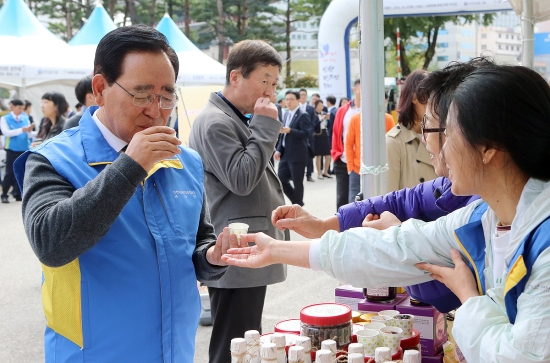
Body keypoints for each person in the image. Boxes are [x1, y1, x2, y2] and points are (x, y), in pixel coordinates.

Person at [222, 62, 550, 363]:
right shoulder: (482, 216)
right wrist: (277, 249)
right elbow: (393, 247)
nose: (439, 148)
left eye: (447, 132)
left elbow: (519, 356)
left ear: (489, 147)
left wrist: (469, 298)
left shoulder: (543, 244)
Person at [14, 25, 230, 362]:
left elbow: (197, 243)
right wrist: (130, 165)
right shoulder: (53, 159)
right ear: (100, 89)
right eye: (142, 95)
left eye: (167, 96)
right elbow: (50, 244)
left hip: (175, 352)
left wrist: (212, 257)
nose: (156, 110)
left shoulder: (185, 161)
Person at [188, 39, 287, 363]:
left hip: (244, 246)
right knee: (235, 341)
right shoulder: (216, 122)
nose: (270, 91)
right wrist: (266, 125)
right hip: (236, 247)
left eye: (274, 83)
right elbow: (242, 179)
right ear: (235, 77)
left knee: (244, 338)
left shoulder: (231, 117)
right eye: (264, 80)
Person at [386, 70, 437, 192]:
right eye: (429, 95)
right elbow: (389, 197)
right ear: (414, 97)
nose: (434, 102)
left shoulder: (439, 136)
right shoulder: (393, 143)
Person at [275, 90, 312, 207]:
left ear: (298, 100)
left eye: (291, 99)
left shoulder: (303, 114)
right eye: (287, 99)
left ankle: (298, 207)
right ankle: (298, 202)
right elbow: (283, 135)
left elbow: (306, 133)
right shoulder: (286, 114)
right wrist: (279, 149)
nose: (288, 102)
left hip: (297, 155)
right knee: (280, 180)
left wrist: (291, 131)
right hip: (285, 154)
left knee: (297, 182)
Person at [331, 80, 361, 209]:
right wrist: (336, 153)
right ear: (355, 90)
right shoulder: (344, 111)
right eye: (362, 88)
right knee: (342, 199)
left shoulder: (373, 111)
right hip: (343, 160)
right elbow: (336, 133)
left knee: (360, 199)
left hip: (362, 163)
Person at [0, 99, 33, 203]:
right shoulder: (5, 118)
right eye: (19, 108)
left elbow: (29, 135)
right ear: (12, 106)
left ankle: (17, 193)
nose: (21, 111)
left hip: (24, 148)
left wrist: (29, 131)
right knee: (9, 172)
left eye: (23, 109)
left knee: (22, 172)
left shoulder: (25, 117)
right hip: (12, 149)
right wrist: (21, 130)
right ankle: (4, 194)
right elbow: (6, 132)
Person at [299, 88, 316, 182]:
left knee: (309, 156)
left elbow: (313, 121)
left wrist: (309, 131)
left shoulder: (311, 108)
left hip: (308, 136)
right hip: (298, 135)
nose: (302, 96)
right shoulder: (296, 107)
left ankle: (309, 174)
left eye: (304, 95)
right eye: (301, 95)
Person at [313, 99, 331, 180]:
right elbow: (314, 126)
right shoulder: (314, 115)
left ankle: (326, 172)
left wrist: (328, 119)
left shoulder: (324, 113)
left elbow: (329, 125)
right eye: (319, 105)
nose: (321, 107)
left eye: (322, 105)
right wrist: (321, 119)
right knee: (319, 156)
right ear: (316, 106)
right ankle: (319, 173)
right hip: (318, 135)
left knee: (328, 155)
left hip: (325, 134)